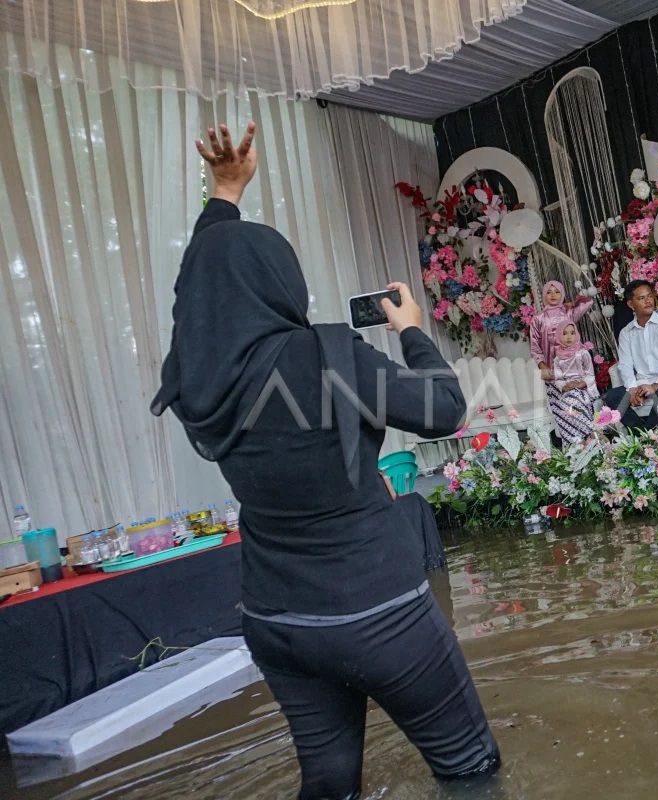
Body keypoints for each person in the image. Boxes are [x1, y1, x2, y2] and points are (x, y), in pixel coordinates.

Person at [151, 122, 500, 799]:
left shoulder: (194, 376)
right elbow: (445, 410)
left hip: (277, 622)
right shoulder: (327, 356)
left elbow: (201, 283)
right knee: (470, 768)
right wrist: (412, 336)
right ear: (284, 282)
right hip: (377, 611)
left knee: (330, 781)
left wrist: (224, 196)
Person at [601, 280, 658, 430]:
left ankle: (647, 441)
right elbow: (626, 365)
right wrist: (632, 389)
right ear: (631, 304)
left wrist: (655, 385)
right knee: (612, 396)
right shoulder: (626, 332)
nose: (648, 301)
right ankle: (642, 436)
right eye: (642, 298)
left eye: (650, 296)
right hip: (643, 382)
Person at [549, 321, 599, 443]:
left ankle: (587, 434)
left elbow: (590, 375)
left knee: (575, 400)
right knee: (564, 407)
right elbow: (558, 379)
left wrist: (580, 384)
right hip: (567, 390)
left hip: (583, 388)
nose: (569, 336)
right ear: (559, 336)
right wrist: (564, 387)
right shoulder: (557, 359)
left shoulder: (582, 353)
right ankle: (578, 439)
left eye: (572, 333)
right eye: (565, 333)